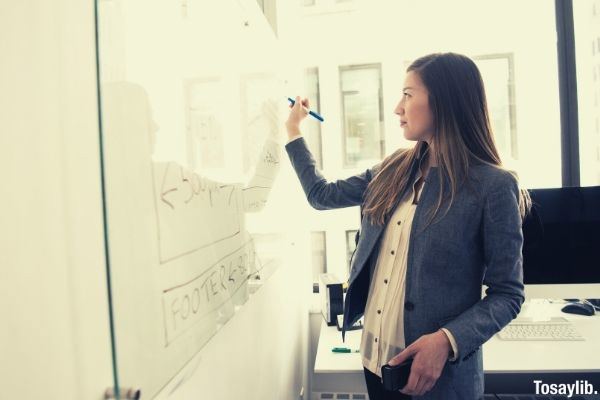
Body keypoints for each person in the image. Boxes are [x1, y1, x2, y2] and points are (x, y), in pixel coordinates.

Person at [284, 52, 531, 400]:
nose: (398, 108)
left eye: (408, 94)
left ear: (444, 101)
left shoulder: (493, 186)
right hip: (376, 363)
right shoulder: (393, 168)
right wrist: (293, 131)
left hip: (439, 380)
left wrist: (447, 340)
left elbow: (508, 294)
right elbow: (320, 195)